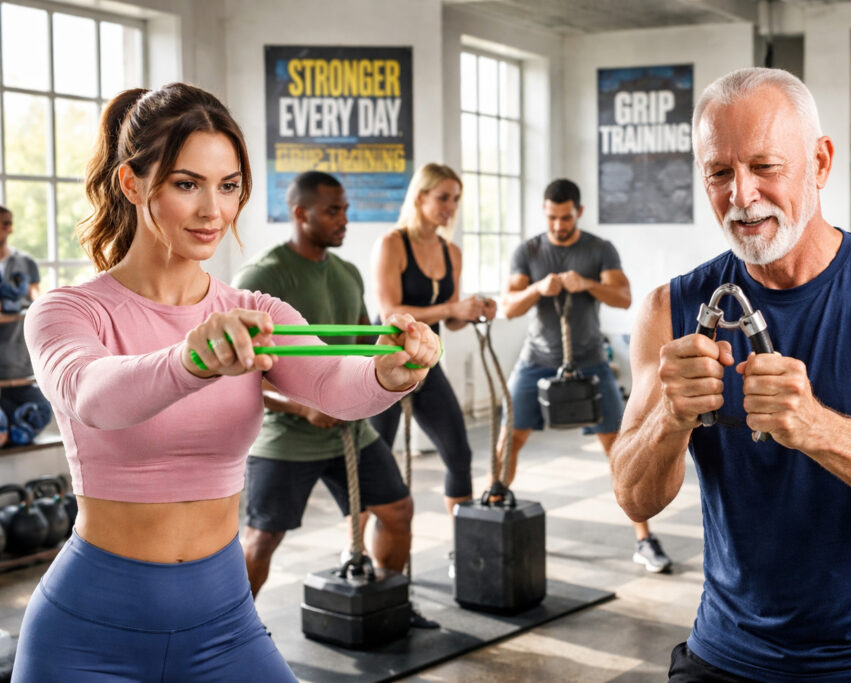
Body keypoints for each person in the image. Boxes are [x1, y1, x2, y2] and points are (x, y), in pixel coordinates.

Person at [16, 83, 439, 681]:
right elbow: (92, 396)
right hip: (89, 634)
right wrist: (191, 361)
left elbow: (334, 385)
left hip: (223, 625)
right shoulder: (69, 312)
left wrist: (388, 373)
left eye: (229, 185)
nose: (213, 210)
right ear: (132, 184)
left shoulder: (256, 311)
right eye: (187, 184)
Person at [610, 67, 851, 681]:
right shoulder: (667, 312)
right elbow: (634, 495)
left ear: (821, 162)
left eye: (765, 167)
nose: (742, 196)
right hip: (731, 648)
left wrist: (816, 427)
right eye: (720, 174)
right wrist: (672, 418)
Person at [233, 170, 436, 628]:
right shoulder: (263, 277)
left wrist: (395, 360)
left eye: (345, 208)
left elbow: (364, 353)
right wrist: (302, 405)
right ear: (301, 214)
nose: (344, 219)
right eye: (333, 210)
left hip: (349, 428)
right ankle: (232, 635)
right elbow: (239, 374)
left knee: (398, 511)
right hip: (286, 437)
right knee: (261, 539)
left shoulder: (346, 273)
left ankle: (387, 600)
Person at [499, 178, 672, 573]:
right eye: (551, 217)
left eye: (564, 217)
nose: (558, 225)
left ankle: (644, 540)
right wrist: (538, 289)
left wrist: (587, 284)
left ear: (578, 211)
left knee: (620, 447)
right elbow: (508, 307)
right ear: (544, 213)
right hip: (537, 359)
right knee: (508, 440)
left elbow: (625, 297)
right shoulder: (528, 252)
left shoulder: (598, 249)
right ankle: (493, 524)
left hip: (590, 361)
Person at [370, 162, 496, 516]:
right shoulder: (392, 244)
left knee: (459, 453)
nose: (450, 207)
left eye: (455, 199)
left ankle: (466, 545)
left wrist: (474, 311)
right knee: (375, 458)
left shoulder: (451, 252)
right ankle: (359, 548)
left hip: (425, 362)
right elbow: (390, 311)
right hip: (384, 363)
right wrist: (451, 307)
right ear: (420, 197)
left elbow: (451, 321)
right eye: (443, 197)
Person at [0, 206, 49, 446]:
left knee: (38, 412)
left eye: (10, 223)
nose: (9, 228)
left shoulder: (25, 263)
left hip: (18, 368)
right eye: (4, 223)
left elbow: (37, 299)